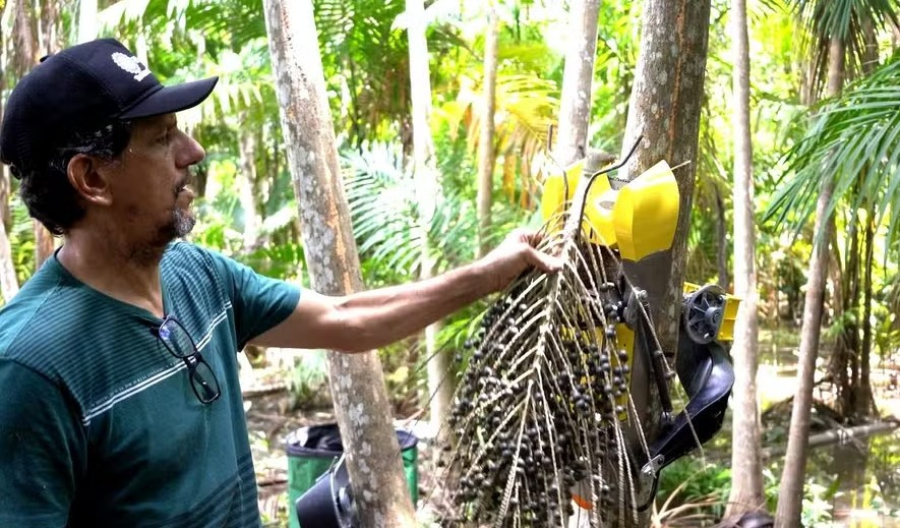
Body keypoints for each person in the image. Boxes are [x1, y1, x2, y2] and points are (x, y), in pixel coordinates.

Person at [0, 38, 560, 527]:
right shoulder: (30, 368)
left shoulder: (198, 276)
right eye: (162, 137)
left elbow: (348, 320)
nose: (192, 153)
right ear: (92, 177)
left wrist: (489, 274)